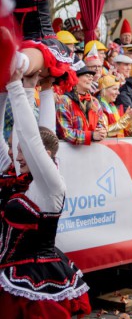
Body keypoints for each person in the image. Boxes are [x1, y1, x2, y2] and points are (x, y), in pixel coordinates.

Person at [1, 69, 91, 317]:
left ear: (45, 157)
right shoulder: (24, 180)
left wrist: (16, 88)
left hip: (34, 275)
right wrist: (37, 87)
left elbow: (31, 138)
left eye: (23, 153)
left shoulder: (50, 185)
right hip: (9, 271)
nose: (17, 155)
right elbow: (26, 135)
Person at [55, 65, 109, 146]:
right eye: (87, 76)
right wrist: (91, 135)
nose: (91, 78)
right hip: (70, 154)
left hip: (93, 152)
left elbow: (101, 125)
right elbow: (66, 133)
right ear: (75, 78)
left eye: (91, 76)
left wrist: (102, 132)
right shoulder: (64, 101)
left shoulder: (95, 102)